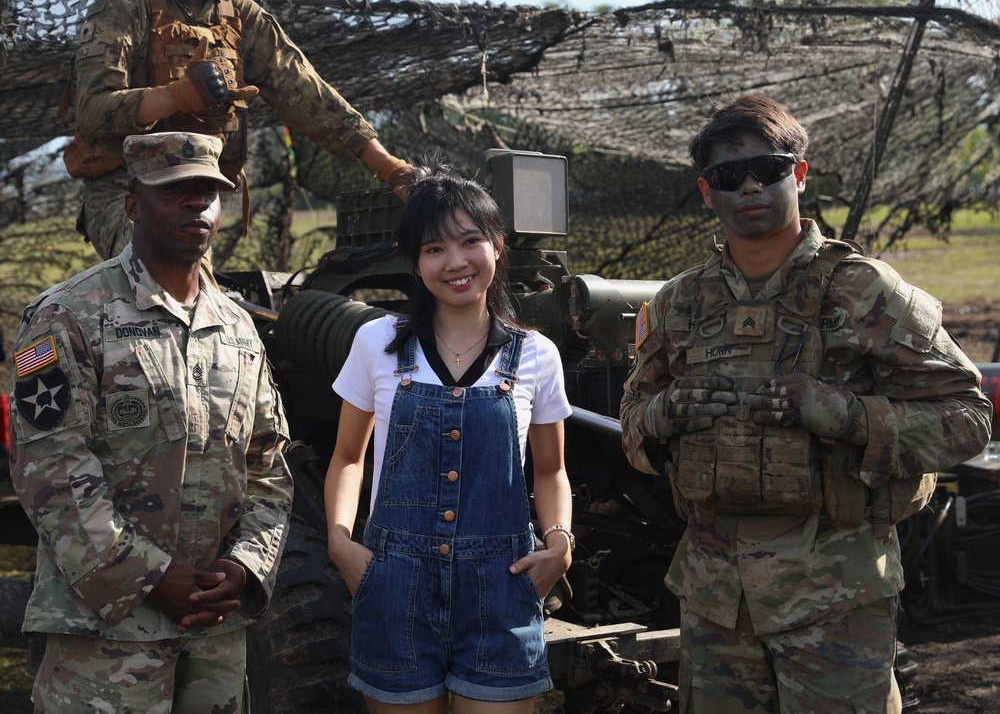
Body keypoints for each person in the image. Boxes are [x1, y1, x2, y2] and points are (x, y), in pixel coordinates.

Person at [620, 94, 993, 714]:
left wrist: (844, 414)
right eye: (727, 178)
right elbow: (632, 426)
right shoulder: (679, 303)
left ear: (798, 174)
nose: (749, 187)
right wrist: (667, 413)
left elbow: (968, 420)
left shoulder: (864, 291)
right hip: (716, 603)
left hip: (835, 598)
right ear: (706, 193)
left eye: (766, 169)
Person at [9, 130, 294, 713]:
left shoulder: (239, 327)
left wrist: (244, 567)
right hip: (107, 636)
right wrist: (147, 577)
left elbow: (269, 465)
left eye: (209, 193)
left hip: (214, 634)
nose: (198, 205)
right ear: (133, 205)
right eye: (176, 191)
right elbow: (50, 469)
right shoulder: (64, 316)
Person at [64, 0, 414, 260]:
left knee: (200, 299)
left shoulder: (243, 17)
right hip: (127, 192)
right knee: (161, 273)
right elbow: (91, 110)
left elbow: (310, 97)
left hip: (197, 196)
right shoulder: (127, 2)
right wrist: (176, 96)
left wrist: (389, 168)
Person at [324, 165, 574, 712]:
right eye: (434, 248)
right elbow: (348, 456)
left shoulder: (536, 355)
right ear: (413, 261)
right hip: (394, 591)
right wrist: (341, 542)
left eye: (470, 241)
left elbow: (552, 470)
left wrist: (560, 542)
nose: (456, 262)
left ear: (498, 246)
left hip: (501, 593)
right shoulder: (378, 342)